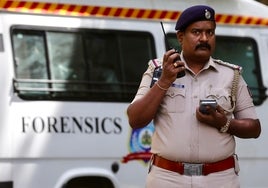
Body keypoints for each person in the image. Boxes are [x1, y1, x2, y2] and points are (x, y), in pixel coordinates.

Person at [127, 5, 261, 188]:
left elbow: (254, 128)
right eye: (197, 32)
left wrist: (223, 122)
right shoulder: (158, 70)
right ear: (181, 37)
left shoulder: (231, 75)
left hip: (220, 179)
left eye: (210, 32)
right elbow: (136, 119)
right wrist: (165, 80)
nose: (204, 38)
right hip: (167, 178)